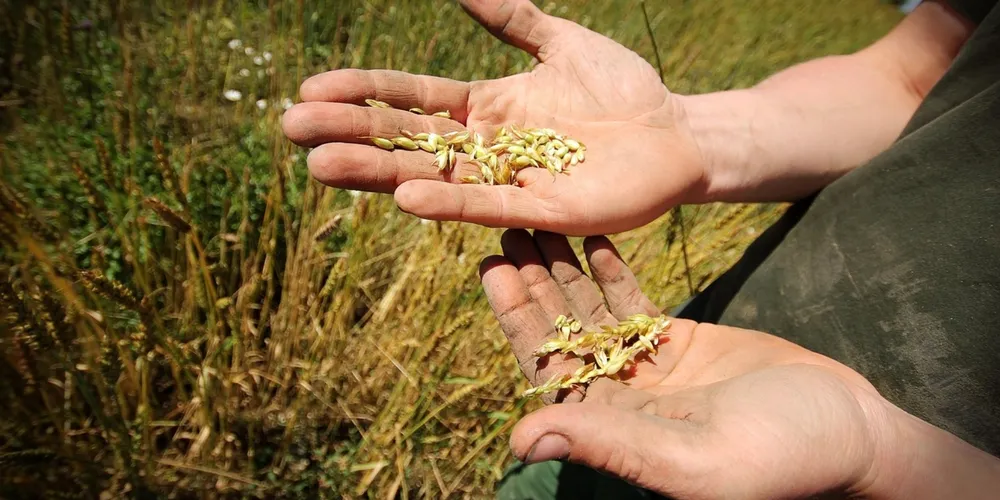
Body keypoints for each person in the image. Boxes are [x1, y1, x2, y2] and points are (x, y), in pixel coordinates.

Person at [282, 0, 1000, 497]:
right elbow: (912, 75)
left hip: (844, 451)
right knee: (550, 474)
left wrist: (883, 457)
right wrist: (691, 136)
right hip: (697, 344)